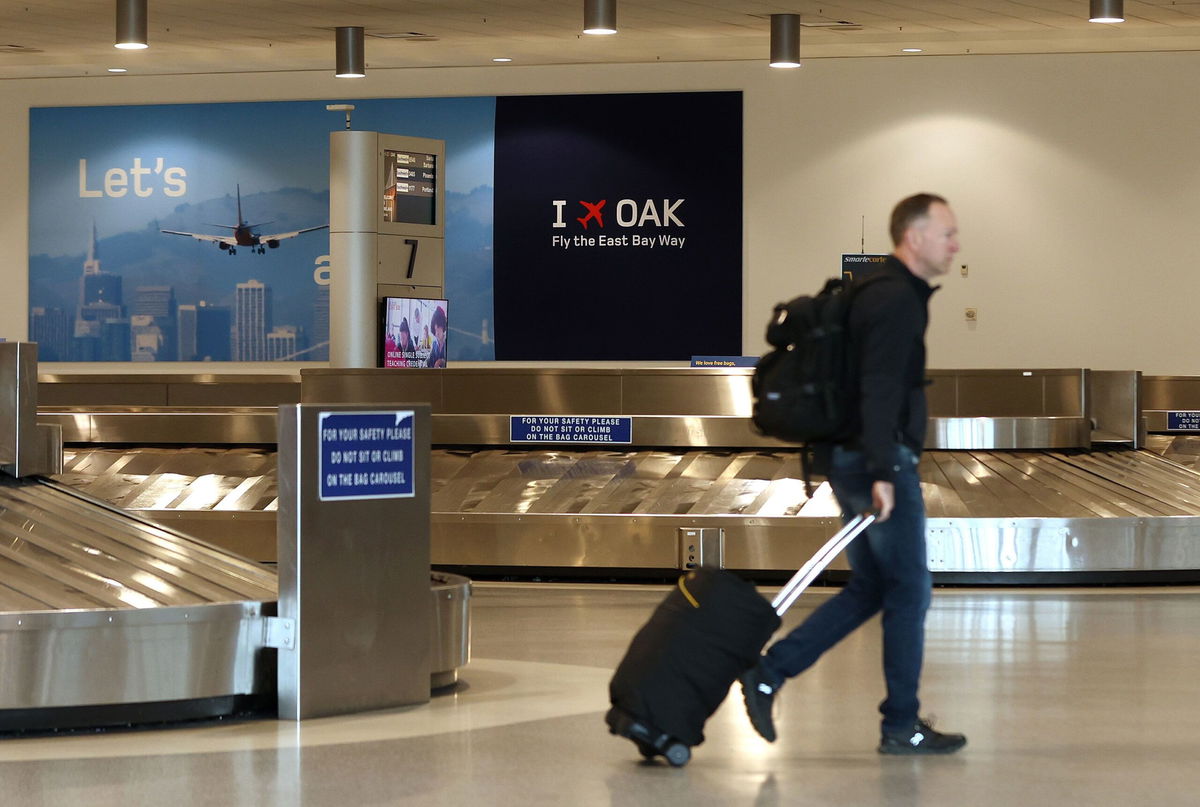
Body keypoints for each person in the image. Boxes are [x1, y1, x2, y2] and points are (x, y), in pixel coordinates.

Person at [740, 193, 967, 755]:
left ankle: (770, 672)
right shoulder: (896, 300)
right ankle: (900, 724)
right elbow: (880, 387)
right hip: (876, 461)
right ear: (914, 237)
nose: (955, 244)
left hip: (851, 456)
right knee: (909, 591)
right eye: (947, 233)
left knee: (874, 586)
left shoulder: (876, 289)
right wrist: (885, 469)